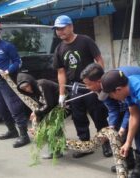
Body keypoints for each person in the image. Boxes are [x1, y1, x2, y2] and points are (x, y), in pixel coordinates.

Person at [52, 15, 112, 158]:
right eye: (57, 29)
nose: (60, 32)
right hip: (74, 88)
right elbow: (61, 72)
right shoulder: (59, 48)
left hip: (90, 86)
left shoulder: (85, 41)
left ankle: (106, 144)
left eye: (62, 28)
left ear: (71, 26)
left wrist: (99, 83)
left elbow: (99, 60)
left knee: (99, 115)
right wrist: (61, 94)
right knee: (78, 117)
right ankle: (85, 145)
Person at [81, 63, 140, 178]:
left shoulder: (119, 82)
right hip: (129, 100)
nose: (87, 88)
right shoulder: (103, 88)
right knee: (118, 130)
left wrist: (124, 128)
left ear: (99, 81)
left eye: (88, 84)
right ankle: (128, 161)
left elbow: (131, 111)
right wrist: (112, 126)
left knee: (139, 129)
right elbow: (113, 109)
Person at [0, 19, 30, 148]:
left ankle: (24, 136)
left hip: (8, 82)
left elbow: (18, 62)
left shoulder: (7, 46)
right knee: (0, 109)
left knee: (15, 109)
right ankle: (12, 131)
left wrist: (8, 71)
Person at [16, 72, 62, 159]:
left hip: (63, 103)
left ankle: (56, 150)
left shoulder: (41, 85)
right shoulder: (33, 90)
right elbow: (43, 103)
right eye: (23, 88)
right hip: (54, 105)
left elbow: (49, 105)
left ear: (30, 82)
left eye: (27, 86)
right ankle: (58, 146)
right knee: (49, 123)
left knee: (51, 124)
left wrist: (36, 113)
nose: (26, 89)